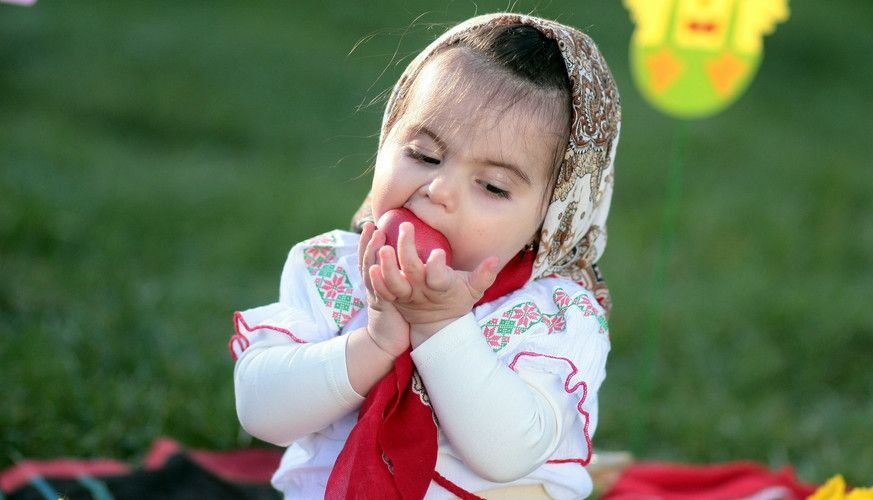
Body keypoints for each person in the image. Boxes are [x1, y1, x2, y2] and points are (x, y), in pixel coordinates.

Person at [230, 12, 621, 500]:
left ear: (553, 220)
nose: (438, 191)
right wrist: (374, 344)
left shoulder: (554, 315)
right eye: (424, 155)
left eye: (493, 186)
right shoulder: (335, 271)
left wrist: (441, 326)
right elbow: (261, 412)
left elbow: (509, 453)